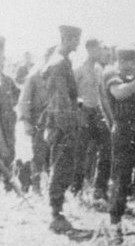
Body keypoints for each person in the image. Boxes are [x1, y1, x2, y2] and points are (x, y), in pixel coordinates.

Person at [103, 47, 135, 244]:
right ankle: (115, 223)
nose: (132, 65)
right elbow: (119, 93)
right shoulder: (111, 74)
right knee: (121, 179)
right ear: (120, 61)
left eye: (134, 61)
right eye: (128, 61)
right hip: (123, 132)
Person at [41, 25, 82, 233]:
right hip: (62, 125)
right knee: (61, 167)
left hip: (61, 122)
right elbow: (59, 101)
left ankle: (57, 211)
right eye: (75, 39)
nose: (77, 43)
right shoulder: (59, 63)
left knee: (62, 166)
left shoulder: (61, 60)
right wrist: (68, 127)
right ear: (67, 38)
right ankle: (56, 214)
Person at [74, 39, 111, 200]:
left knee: (107, 149)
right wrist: (81, 110)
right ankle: (76, 189)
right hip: (83, 113)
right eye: (99, 49)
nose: (102, 52)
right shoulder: (78, 69)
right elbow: (74, 95)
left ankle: (99, 189)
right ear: (89, 49)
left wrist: (110, 118)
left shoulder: (98, 69)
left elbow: (102, 95)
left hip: (97, 113)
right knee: (80, 152)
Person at [16, 48, 54, 193]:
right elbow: (24, 100)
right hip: (39, 121)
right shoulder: (34, 76)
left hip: (54, 121)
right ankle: (36, 187)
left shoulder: (59, 75)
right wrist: (25, 121)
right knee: (38, 155)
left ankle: (51, 188)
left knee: (53, 156)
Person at [0, 36, 20, 191]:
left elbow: (18, 96)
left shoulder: (7, 80)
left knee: (9, 154)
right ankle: (9, 182)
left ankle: (7, 186)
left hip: (8, 123)